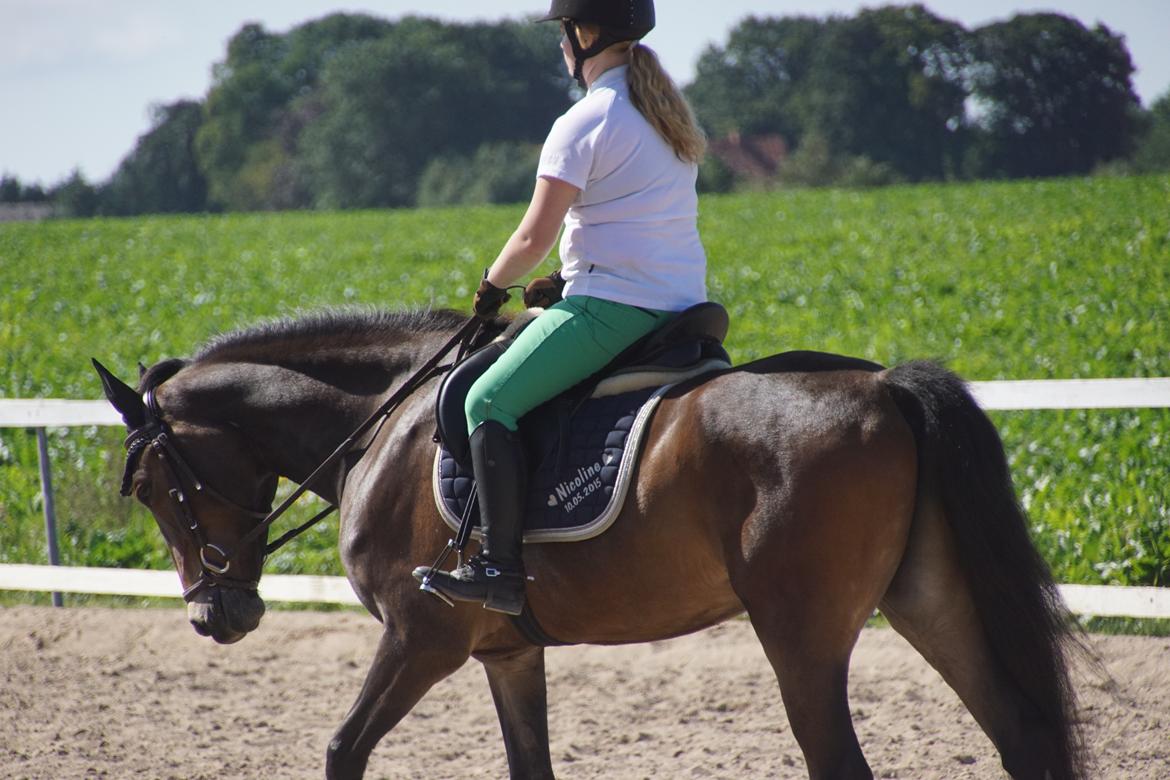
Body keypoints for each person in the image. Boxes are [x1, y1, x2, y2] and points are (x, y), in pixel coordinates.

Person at [416, 0, 709, 615]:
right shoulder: (664, 112)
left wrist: (492, 285)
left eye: (563, 34)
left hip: (616, 309)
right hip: (679, 304)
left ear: (585, 33)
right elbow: (636, 221)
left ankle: (499, 567)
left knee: (486, 400)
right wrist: (568, 276)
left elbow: (530, 236)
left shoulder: (586, 119)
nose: (560, 47)